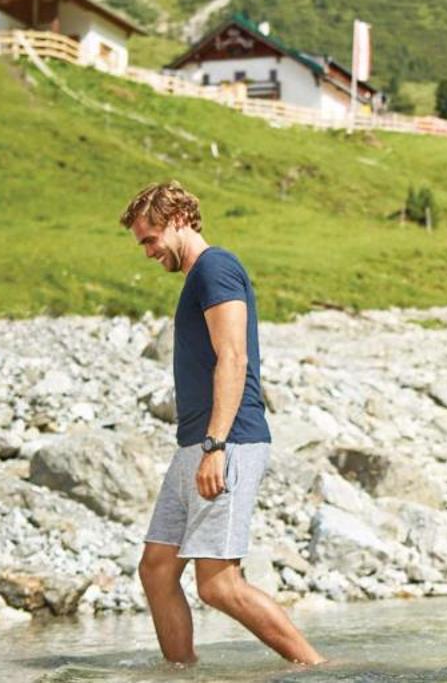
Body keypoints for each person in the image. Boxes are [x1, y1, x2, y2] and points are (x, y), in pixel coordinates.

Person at [120, 181, 323, 668]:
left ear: (178, 220)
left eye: (150, 239)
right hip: (195, 442)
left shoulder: (215, 268)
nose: (147, 252)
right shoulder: (199, 277)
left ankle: (317, 670)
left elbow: (233, 356)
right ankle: (181, 673)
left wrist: (215, 445)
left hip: (226, 441)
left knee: (218, 583)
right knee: (157, 569)